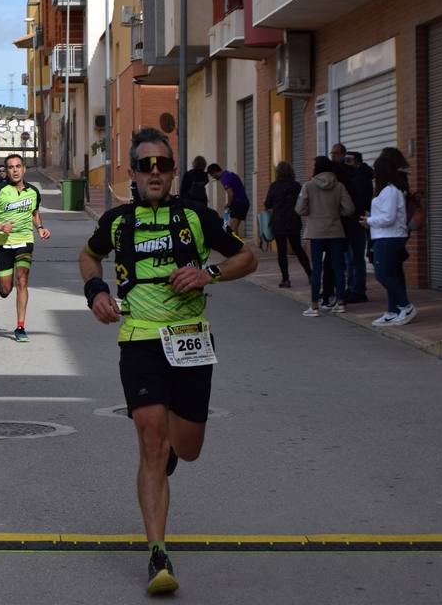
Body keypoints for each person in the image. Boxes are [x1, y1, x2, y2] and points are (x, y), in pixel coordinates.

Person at [78, 128, 256, 596]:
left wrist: (207, 272)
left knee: (187, 447)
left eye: (162, 165)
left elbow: (247, 259)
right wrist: (95, 291)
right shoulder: (117, 222)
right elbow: (88, 257)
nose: (154, 173)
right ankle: (158, 552)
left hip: (190, 340)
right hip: (138, 339)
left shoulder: (197, 217)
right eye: (145, 165)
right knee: (151, 441)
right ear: (133, 173)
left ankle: (174, 452)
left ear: (173, 172)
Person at [0, 153, 51, 342]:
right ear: (7, 171)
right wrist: (0, 227)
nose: (15, 170)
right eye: (11, 167)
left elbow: (34, 212)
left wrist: (41, 228)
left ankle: (20, 327)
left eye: (18, 166)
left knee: (22, 281)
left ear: (24, 169)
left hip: (25, 240)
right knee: (5, 290)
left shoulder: (33, 191)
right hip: (3, 242)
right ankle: (4, 286)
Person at [295, 156, 354, 317]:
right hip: (335, 231)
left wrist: (311, 213)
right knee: (338, 268)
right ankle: (341, 303)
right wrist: (336, 214)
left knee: (316, 269)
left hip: (316, 232)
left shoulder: (309, 185)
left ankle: (314, 306)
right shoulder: (339, 185)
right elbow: (349, 209)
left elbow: (299, 209)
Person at [363, 157, 417, 326]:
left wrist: (369, 221)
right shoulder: (388, 190)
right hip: (385, 236)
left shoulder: (391, 191)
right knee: (391, 274)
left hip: (389, 237)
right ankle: (392, 311)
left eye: (376, 170)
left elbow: (389, 217)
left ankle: (406, 306)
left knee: (383, 274)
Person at [264, 162, 311, 288]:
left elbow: (267, 204)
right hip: (293, 221)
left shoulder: (274, 186)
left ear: (278, 172)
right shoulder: (296, 186)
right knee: (298, 249)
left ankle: (285, 279)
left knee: (282, 251)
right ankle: (311, 275)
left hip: (279, 222)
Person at [345, 150, 374, 303]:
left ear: (357, 161)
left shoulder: (361, 178)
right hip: (354, 220)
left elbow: (359, 201)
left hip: (357, 220)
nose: (346, 163)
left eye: (349, 160)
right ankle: (352, 288)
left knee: (355, 258)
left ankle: (358, 291)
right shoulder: (356, 176)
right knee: (351, 258)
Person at [206, 163, 249, 234]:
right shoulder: (229, 174)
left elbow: (230, 193)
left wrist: (228, 204)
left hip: (239, 203)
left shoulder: (224, 178)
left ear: (214, 172)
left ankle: (235, 244)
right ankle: (237, 244)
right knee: (234, 227)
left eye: (212, 175)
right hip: (241, 202)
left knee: (232, 228)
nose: (213, 177)